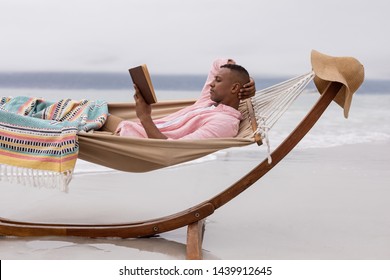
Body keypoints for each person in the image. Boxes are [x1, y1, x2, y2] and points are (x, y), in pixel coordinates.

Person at [115, 58, 255, 140]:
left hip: (133, 140)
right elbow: (218, 62)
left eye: (217, 80)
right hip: (128, 128)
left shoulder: (223, 124)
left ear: (234, 88)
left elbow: (171, 149)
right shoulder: (209, 102)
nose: (211, 84)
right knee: (96, 108)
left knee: (95, 116)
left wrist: (145, 117)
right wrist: (248, 81)